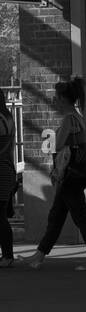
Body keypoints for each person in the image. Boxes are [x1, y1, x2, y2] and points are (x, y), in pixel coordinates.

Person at [27, 77, 86, 271]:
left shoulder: (69, 119)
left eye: (56, 97)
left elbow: (59, 145)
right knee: (57, 215)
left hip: (70, 175)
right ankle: (39, 255)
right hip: (74, 174)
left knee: (80, 216)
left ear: (63, 98)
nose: (54, 100)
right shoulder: (78, 116)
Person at [0, 89, 18, 267]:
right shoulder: (8, 117)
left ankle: (7, 255)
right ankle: (7, 255)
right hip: (6, 169)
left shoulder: (1, 120)